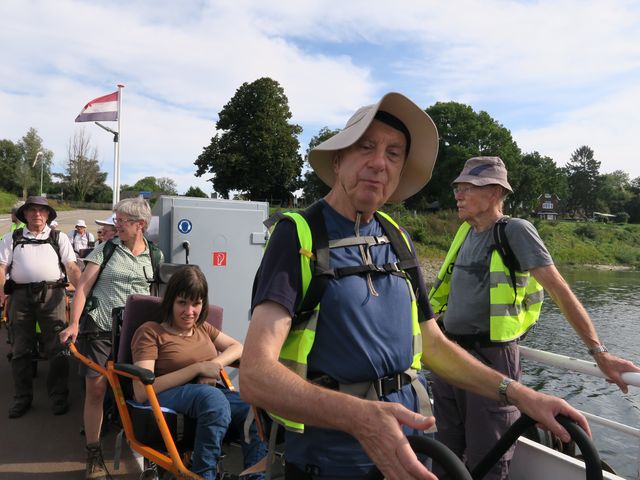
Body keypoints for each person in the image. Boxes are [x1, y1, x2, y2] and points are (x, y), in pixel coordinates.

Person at [240, 92, 591, 480]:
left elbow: (435, 346)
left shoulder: (397, 239)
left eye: (394, 153)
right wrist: (361, 418)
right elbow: (256, 375)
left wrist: (522, 395)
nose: (379, 163)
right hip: (330, 459)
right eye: (366, 147)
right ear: (338, 159)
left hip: (410, 451)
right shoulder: (299, 236)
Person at [428, 156, 640, 479]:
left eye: (468, 187)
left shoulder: (515, 231)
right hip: (450, 358)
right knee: (446, 454)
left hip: (492, 360)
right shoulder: (463, 234)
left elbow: (560, 290)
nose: (458, 194)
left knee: (488, 458)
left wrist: (600, 353)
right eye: (458, 187)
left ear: (495, 192)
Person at [59, 197, 164, 480]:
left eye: (121, 221)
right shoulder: (105, 249)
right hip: (101, 328)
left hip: (135, 334)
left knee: (142, 392)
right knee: (96, 390)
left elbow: (156, 295)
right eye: (116, 220)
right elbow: (83, 288)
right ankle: (93, 454)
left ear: (139, 225)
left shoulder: (155, 255)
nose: (116, 224)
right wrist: (74, 324)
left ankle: (150, 456)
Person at [131, 265, 266, 480]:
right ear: (171, 301)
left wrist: (214, 365)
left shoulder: (203, 328)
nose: (189, 311)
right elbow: (140, 391)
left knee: (256, 409)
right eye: (182, 303)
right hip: (167, 395)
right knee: (213, 398)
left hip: (206, 394)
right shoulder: (151, 332)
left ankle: (255, 477)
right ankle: (203, 475)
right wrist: (197, 368)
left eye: (196, 304)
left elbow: (238, 347)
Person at [0, 196, 81, 418]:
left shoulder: (59, 237)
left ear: (48, 215)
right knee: (20, 350)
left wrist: (84, 286)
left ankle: (58, 396)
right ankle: (22, 398)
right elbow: (1, 268)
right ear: (25, 214)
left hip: (53, 295)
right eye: (32, 210)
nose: (37, 214)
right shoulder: (12, 238)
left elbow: (71, 266)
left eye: (42, 210)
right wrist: (2, 295)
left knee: (58, 347)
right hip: (19, 296)